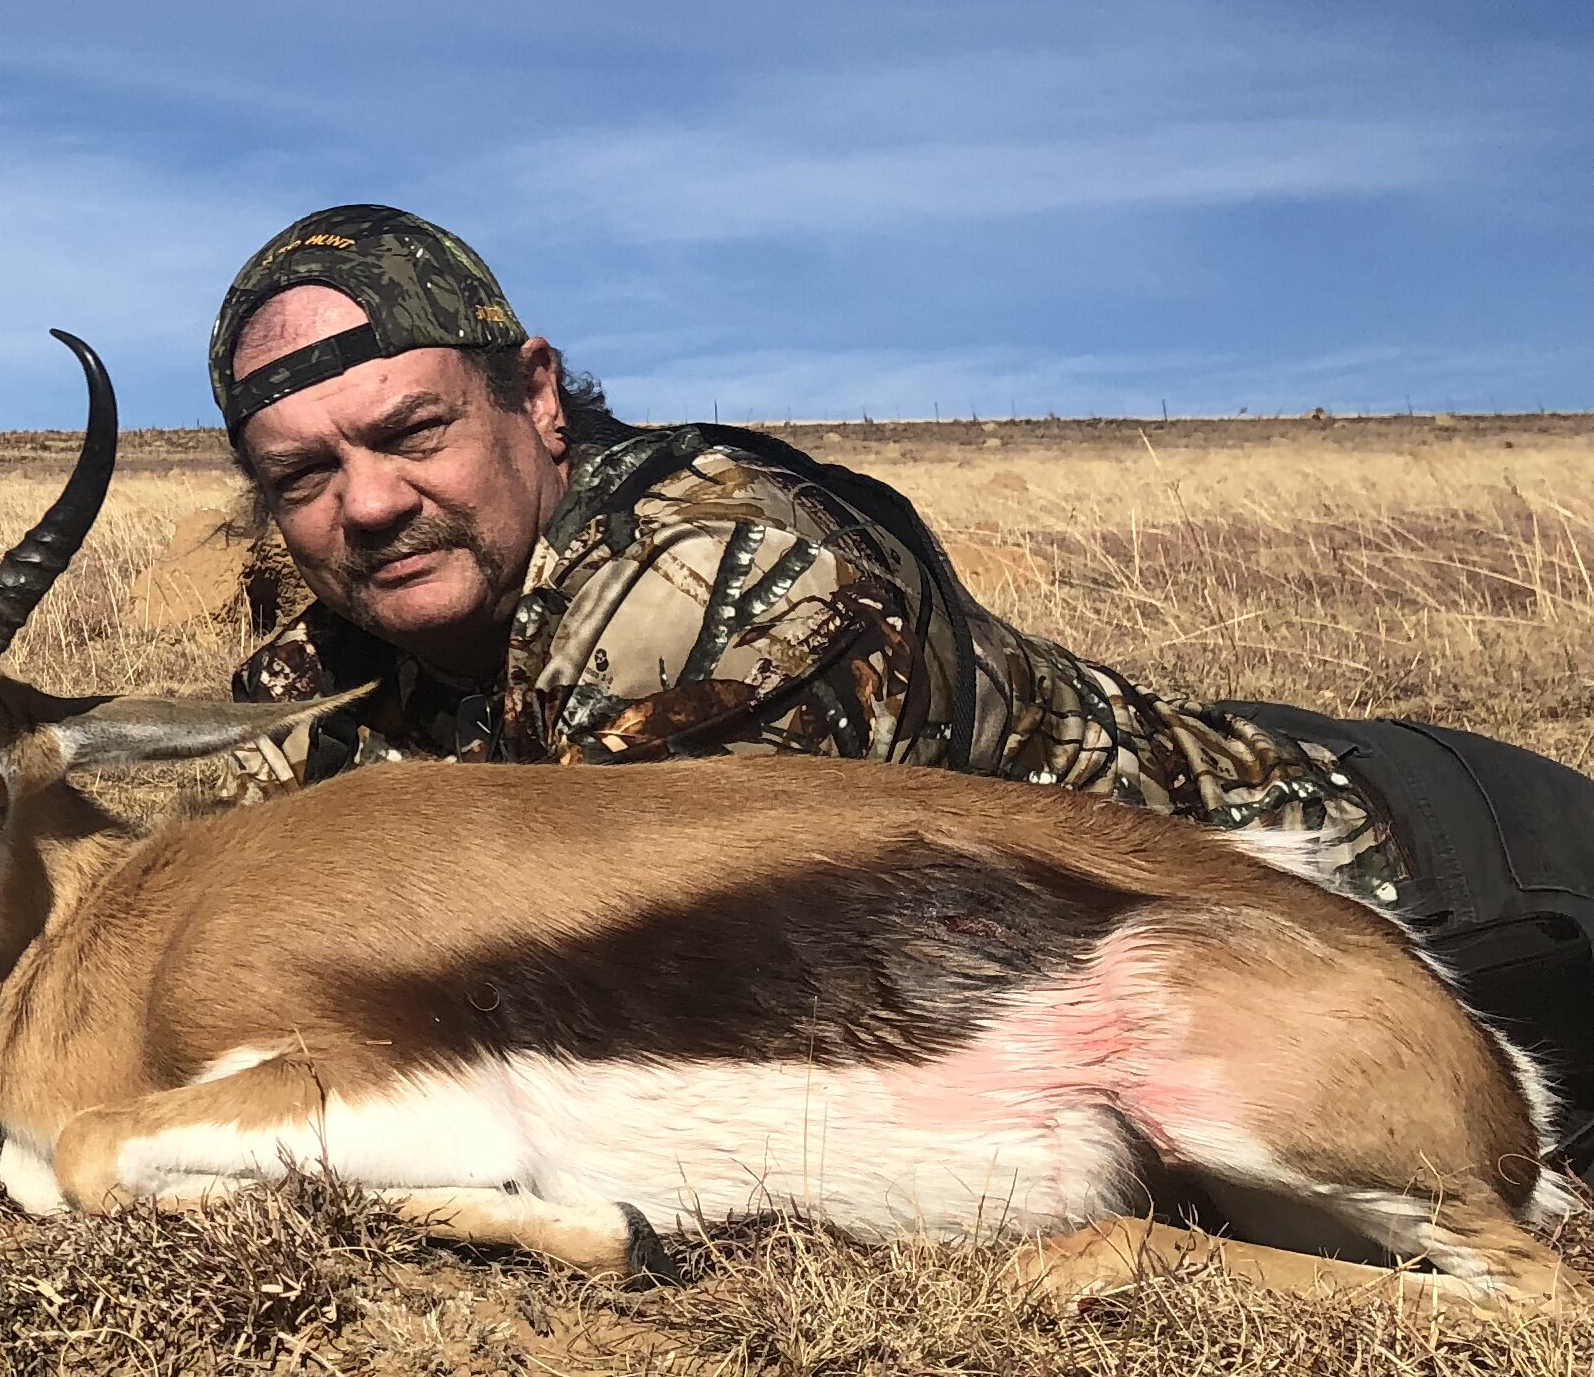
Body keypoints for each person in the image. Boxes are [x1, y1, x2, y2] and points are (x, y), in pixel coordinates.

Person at [209, 203, 1594, 1154]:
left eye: (413, 431)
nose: (371, 504)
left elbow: (589, 1051)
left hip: (1410, 890)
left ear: (539, 397)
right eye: (304, 477)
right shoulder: (315, 681)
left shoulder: (702, 584)